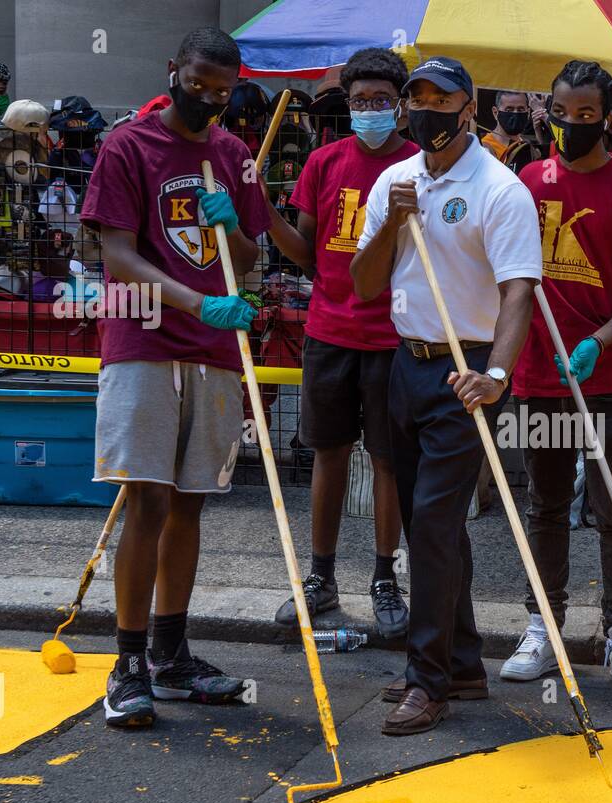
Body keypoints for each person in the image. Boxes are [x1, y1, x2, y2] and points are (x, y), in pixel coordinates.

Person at [80, 26, 271, 728]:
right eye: (198, 84)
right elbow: (119, 256)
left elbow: (245, 258)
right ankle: (127, 662)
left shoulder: (233, 154)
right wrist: (198, 301)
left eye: (222, 91)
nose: (209, 100)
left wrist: (236, 230)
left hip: (213, 351)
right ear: (174, 72)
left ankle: (171, 652)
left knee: (191, 500)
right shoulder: (127, 145)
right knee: (148, 500)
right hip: (143, 342)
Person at [350, 56, 541, 735]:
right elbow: (365, 284)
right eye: (417, 95)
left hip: (467, 374)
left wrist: (497, 373)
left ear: (468, 107)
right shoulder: (392, 182)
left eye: (441, 95)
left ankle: (427, 678)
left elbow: (520, 289)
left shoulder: (500, 187)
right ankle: (461, 659)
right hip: (408, 364)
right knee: (427, 522)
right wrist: (396, 224)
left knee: (432, 522)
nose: (425, 105)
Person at [497, 60, 612, 693]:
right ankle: (543, 624)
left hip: (611, 377)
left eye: (586, 116)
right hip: (540, 376)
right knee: (545, 506)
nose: (572, 126)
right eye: (562, 114)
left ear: (610, 116)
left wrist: (600, 339)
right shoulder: (526, 184)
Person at [266, 47, 416, 639]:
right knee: (327, 454)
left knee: (387, 458)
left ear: (401, 107)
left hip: (394, 335)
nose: (371, 110)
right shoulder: (324, 162)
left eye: (382, 101)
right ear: (347, 107)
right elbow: (303, 252)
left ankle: (384, 577)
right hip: (329, 329)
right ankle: (320, 578)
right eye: (360, 102)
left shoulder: (417, 166)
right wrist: (261, 213)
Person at [481, 89, 548, 172]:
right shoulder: (484, 148)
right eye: (509, 110)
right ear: (495, 112)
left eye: (520, 110)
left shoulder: (527, 146)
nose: (515, 114)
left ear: (528, 113)